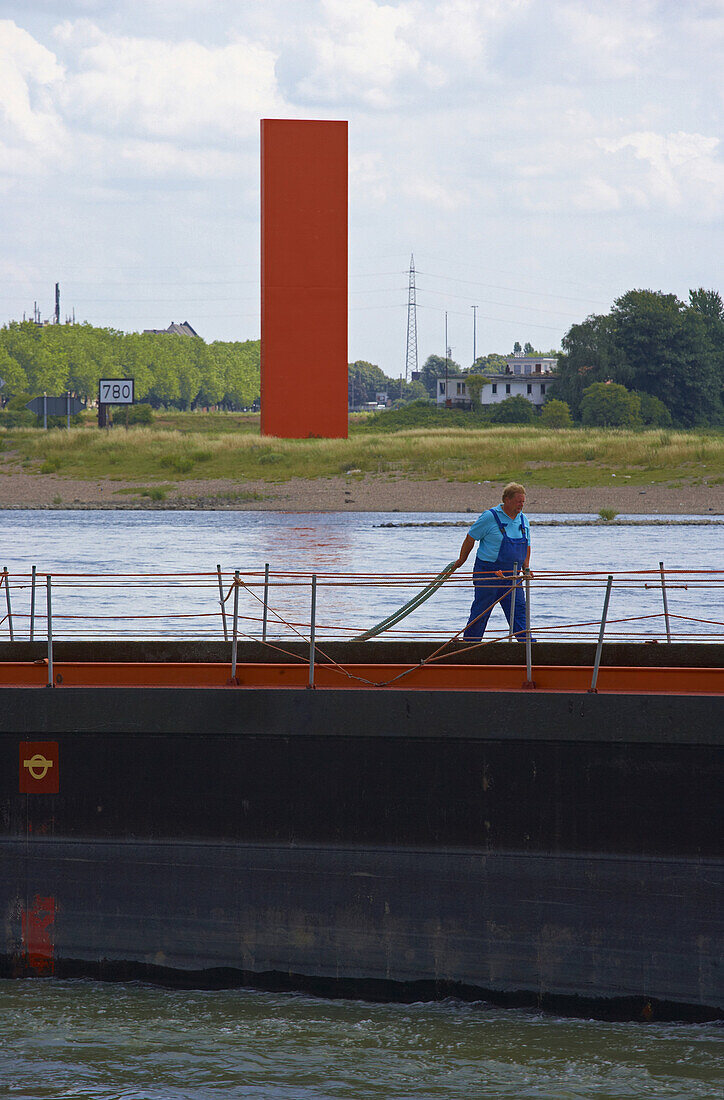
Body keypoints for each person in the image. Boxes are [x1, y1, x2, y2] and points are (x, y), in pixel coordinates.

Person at [453, 482, 534, 641]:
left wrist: (527, 568)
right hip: (488, 573)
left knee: (519, 611)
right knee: (481, 613)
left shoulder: (523, 520)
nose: (521, 505)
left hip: (513, 577)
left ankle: (529, 648)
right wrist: (461, 560)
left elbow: (527, 545)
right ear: (506, 500)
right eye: (518, 501)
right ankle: (470, 645)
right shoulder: (489, 517)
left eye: (523, 501)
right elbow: (470, 538)